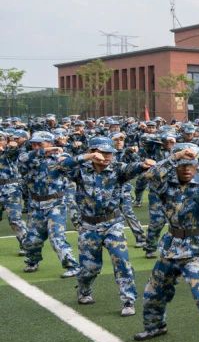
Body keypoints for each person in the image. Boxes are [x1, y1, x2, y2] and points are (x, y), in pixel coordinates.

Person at [53, 137, 155, 315]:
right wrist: (86, 157)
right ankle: (84, 290)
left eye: (110, 153)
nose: (108, 157)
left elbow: (133, 168)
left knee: (121, 262)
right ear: (93, 152)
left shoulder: (118, 169)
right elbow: (59, 167)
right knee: (90, 268)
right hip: (88, 226)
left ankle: (128, 300)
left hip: (112, 224)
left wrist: (143, 165)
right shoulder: (80, 170)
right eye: (103, 153)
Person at [134, 144, 199, 342]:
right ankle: (154, 326)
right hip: (171, 246)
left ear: (197, 165)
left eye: (190, 164)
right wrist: (175, 156)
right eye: (182, 164)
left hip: (196, 248)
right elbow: (148, 176)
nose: (186, 169)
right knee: (153, 291)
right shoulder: (166, 184)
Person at [17, 131, 78, 276]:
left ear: (50, 143)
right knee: (32, 239)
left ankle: (72, 265)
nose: (36, 147)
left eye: (40, 144)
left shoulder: (60, 157)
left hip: (55, 204)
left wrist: (61, 155)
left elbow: (70, 163)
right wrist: (42, 151)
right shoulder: (30, 158)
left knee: (56, 236)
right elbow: (21, 160)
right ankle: (32, 261)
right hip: (35, 205)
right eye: (34, 144)